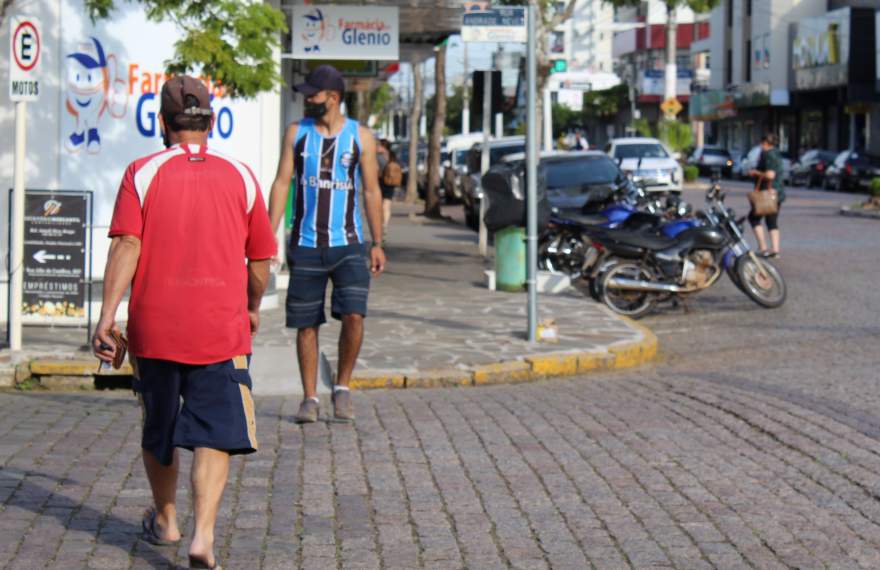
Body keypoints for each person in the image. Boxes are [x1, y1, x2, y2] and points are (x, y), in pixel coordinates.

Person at [92, 75, 276, 570]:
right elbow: (260, 259)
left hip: (155, 327)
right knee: (214, 431)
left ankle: (167, 519)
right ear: (211, 122)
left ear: (161, 122)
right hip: (220, 325)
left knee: (160, 424)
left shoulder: (141, 172)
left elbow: (126, 244)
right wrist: (252, 303)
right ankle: (203, 538)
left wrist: (108, 317)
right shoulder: (241, 175)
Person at [268, 64, 386, 423]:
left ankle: (343, 388)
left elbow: (370, 190)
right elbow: (281, 183)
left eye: (313, 94)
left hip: (349, 243)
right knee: (307, 324)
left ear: (332, 98)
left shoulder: (360, 137)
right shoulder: (296, 133)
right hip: (305, 243)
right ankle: (309, 398)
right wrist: (267, 237)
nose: (307, 100)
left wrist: (377, 242)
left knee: (354, 315)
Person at [748, 133, 785, 258]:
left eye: (761, 143)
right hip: (777, 193)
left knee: (753, 218)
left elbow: (770, 175)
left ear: (765, 143)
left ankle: (763, 247)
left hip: (766, 194)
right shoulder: (777, 153)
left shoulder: (768, 154)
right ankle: (775, 250)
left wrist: (755, 172)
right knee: (772, 220)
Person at [378, 139, 403, 240]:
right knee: (387, 204)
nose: (377, 147)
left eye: (379, 145)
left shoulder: (378, 156)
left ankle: (381, 223)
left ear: (383, 146)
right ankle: (385, 224)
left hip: (380, 181)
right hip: (390, 182)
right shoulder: (392, 155)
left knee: (380, 204)